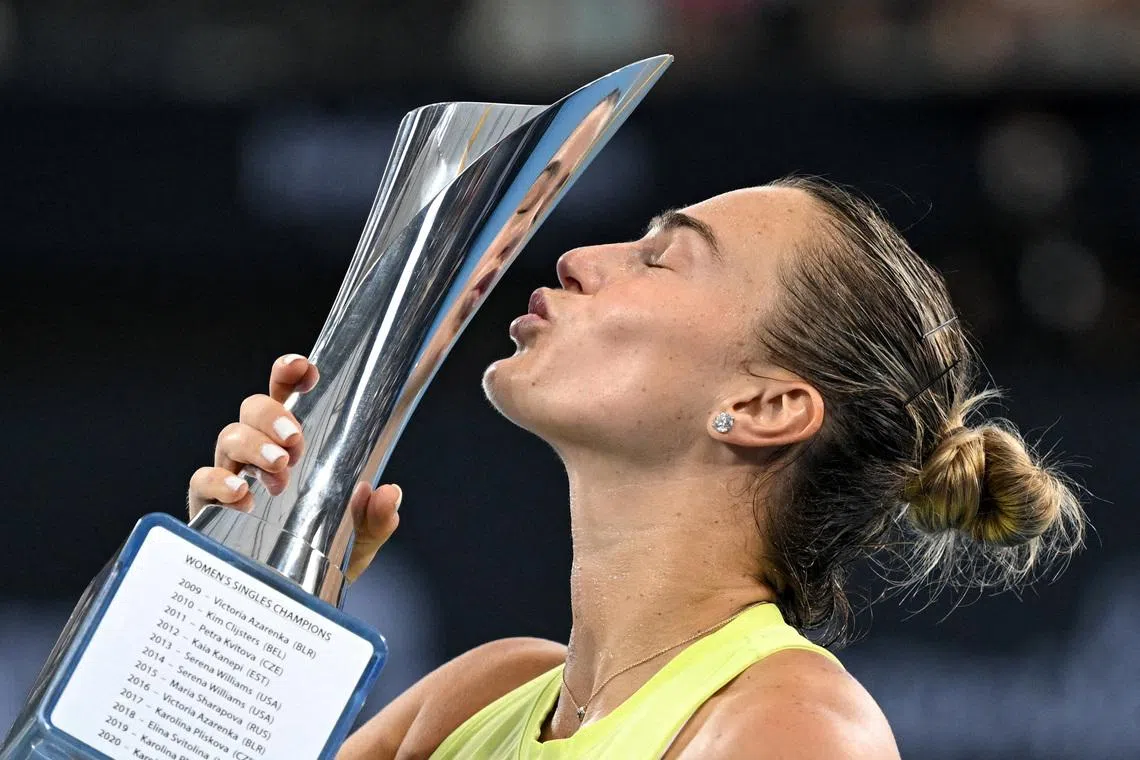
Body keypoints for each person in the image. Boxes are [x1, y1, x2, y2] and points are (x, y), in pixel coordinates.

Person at [188, 176, 1086, 758]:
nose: (579, 260)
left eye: (661, 257)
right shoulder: (478, 698)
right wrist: (249, 592)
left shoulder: (793, 731)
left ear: (768, 406)